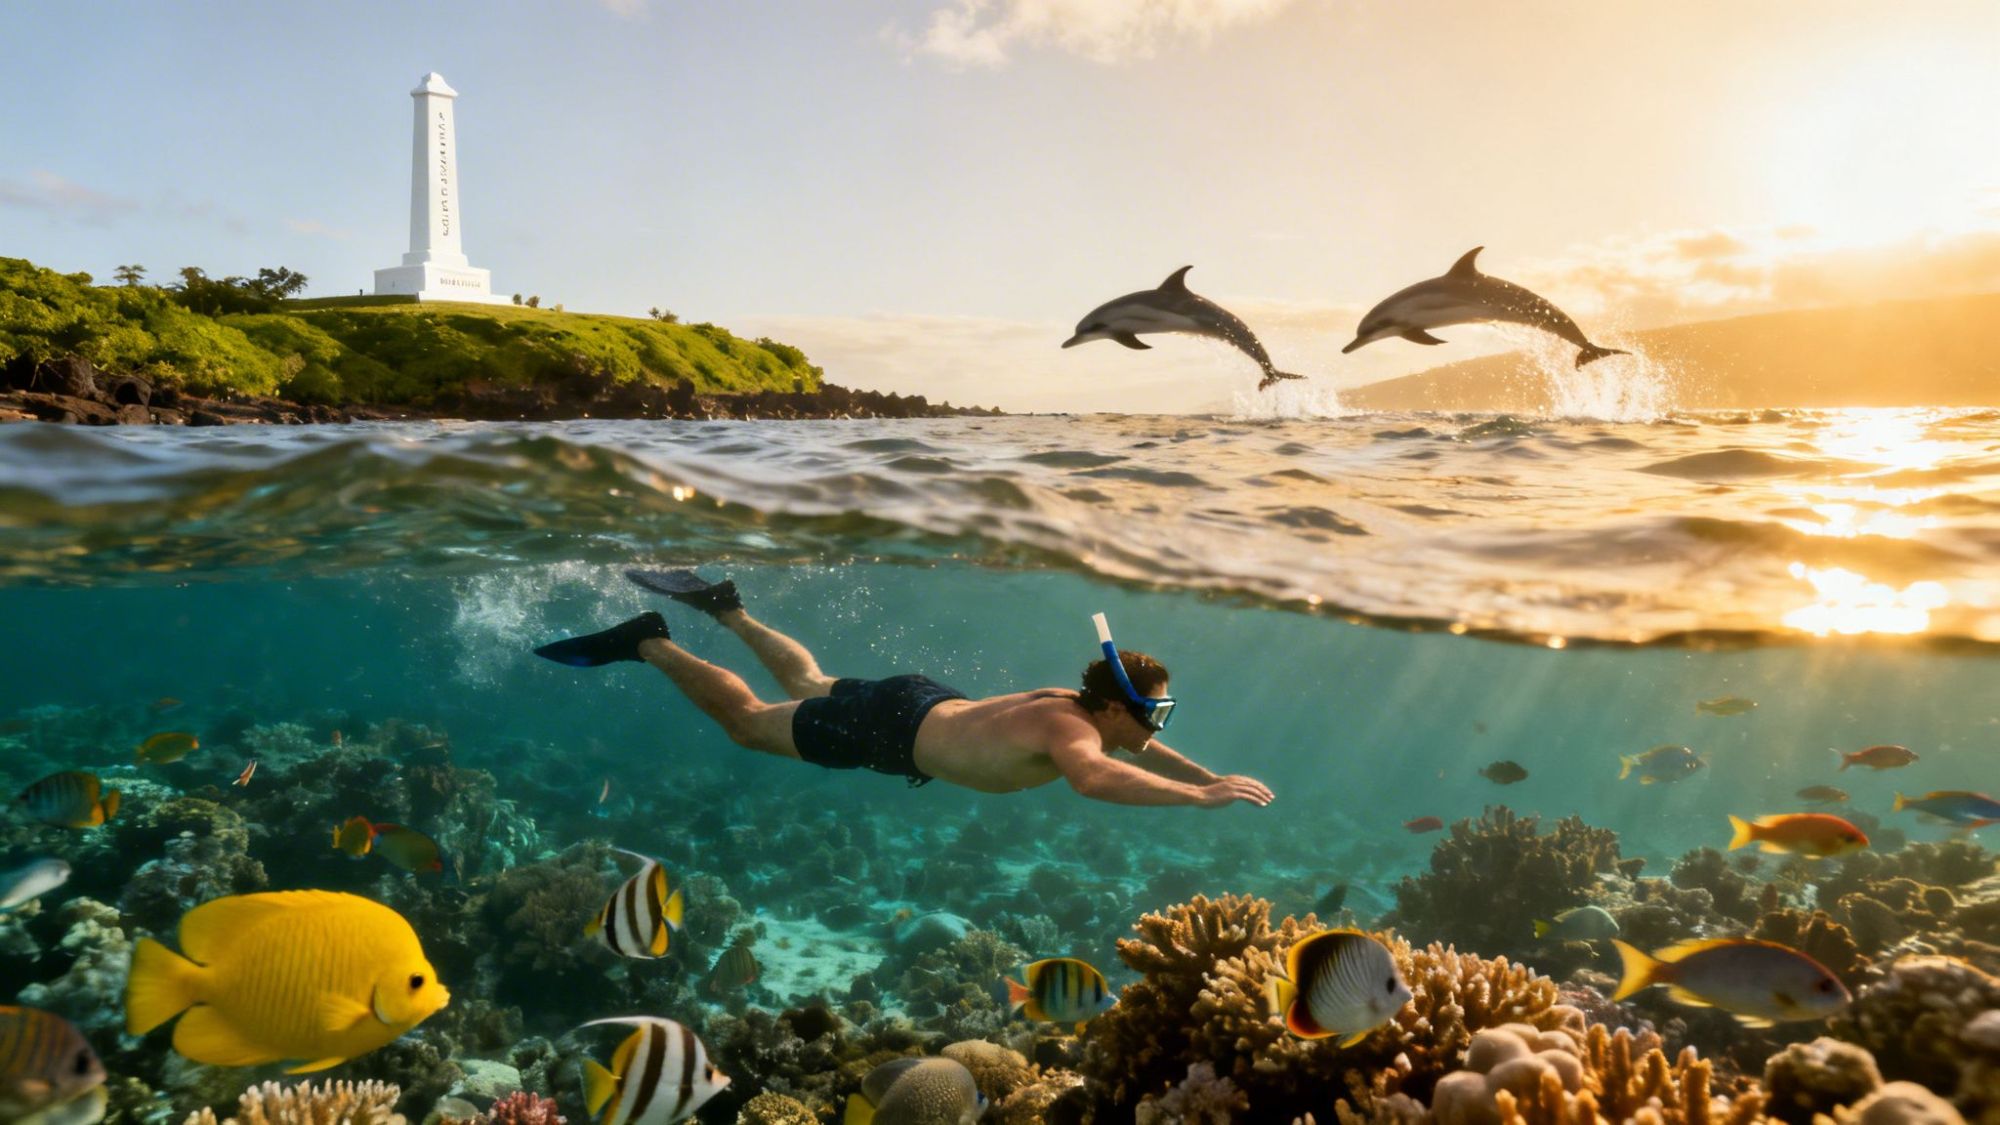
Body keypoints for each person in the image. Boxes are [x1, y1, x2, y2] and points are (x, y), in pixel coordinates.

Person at [533, 570, 1273, 809]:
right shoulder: (1075, 735)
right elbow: (1096, 777)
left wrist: (1211, 776)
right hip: (889, 735)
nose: (1160, 727)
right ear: (1116, 706)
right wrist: (1201, 799)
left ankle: (727, 606)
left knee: (811, 679)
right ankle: (648, 639)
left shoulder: (1071, 703)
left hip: (918, 700)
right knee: (750, 721)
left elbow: (1137, 752)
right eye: (1155, 712)